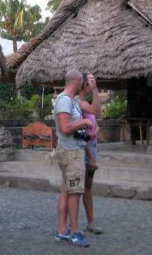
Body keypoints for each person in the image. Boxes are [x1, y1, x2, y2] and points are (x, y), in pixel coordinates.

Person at [54, 70, 100, 248]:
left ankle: (62, 230)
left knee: (67, 190)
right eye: (83, 82)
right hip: (71, 153)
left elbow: (96, 110)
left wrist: (95, 90)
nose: (84, 85)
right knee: (75, 193)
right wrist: (83, 123)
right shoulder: (64, 100)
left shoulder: (73, 101)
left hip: (73, 152)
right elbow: (65, 128)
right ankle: (74, 233)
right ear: (78, 81)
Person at [79, 77, 103, 234]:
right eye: (91, 81)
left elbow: (96, 115)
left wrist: (96, 129)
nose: (93, 84)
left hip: (92, 146)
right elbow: (95, 110)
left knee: (88, 186)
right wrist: (95, 90)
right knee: (79, 187)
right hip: (85, 148)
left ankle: (90, 221)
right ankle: (70, 225)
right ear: (84, 85)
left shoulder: (86, 103)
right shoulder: (79, 103)